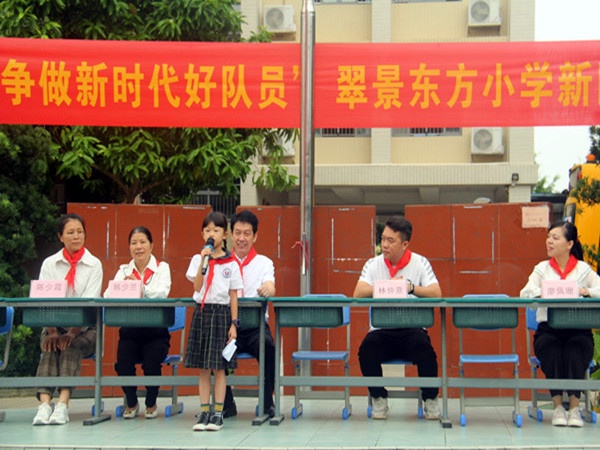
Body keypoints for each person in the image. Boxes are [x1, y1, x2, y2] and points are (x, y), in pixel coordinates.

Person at [355, 215, 442, 420]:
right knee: (366, 350)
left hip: (412, 330)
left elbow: (436, 293)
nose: (384, 245)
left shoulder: (420, 263)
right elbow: (358, 293)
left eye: (390, 240)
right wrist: (387, 286)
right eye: (383, 239)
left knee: (426, 351)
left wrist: (410, 287)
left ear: (405, 244)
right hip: (381, 330)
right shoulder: (373, 264)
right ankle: (379, 398)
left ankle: (430, 399)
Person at [520, 220, 600, 428]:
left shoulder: (583, 270)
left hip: (578, 330)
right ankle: (557, 407)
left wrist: (586, 291)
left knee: (575, 351)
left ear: (569, 244)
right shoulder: (542, 269)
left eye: (555, 238)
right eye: (548, 237)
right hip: (549, 331)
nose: (549, 241)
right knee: (552, 350)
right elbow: (525, 293)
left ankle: (574, 408)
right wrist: (546, 291)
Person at [32, 213, 103, 426]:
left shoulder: (94, 264)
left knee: (70, 347)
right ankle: (44, 405)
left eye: (80, 232)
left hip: (86, 328)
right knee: (50, 347)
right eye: (70, 232)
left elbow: (90, 302)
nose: (76, 236)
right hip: (54, 323)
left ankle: (62, 404)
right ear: (60, 236)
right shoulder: (50, 264)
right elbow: (43, 299)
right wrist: (53, 332)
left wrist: (72, 332)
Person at [104, 226, 172, 420]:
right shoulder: (123, 270)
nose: (138, 247)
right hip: (130, 331)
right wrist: (123, 287)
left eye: (143, 242)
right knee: (122, 364)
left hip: (156, 332)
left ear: (151, 245)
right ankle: (132, 402)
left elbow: (162, 293)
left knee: (151, 364)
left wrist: (138, 287)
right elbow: (107, 295)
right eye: (134, 243)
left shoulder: (162, 268)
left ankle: (151, 402)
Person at [185, 211, 243, 431]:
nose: (212, 233)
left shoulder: (231, 262)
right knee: (203, 367)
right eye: (207, 230)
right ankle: (204, 412)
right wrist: (204, 259)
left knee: (219, 368)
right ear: (202, 234)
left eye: (216, 230)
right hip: (202, 313)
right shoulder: (198, 259)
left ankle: (218, 413)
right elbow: (197, 286)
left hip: (221, 315)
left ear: (225, 234)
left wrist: (234, 324)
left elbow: (233, 295)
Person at [223, 210, 276, 419]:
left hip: (256, 328)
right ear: (231, 235)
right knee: (213, 348)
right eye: (237, 233)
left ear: (255, 236)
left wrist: (269, 288)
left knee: (268, 347)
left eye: (247, 233)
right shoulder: (222, 262)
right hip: (229, 327)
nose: (241, 238)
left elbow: (270, 284)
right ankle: (226, 404)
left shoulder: (264, 263)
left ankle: (267, 402)